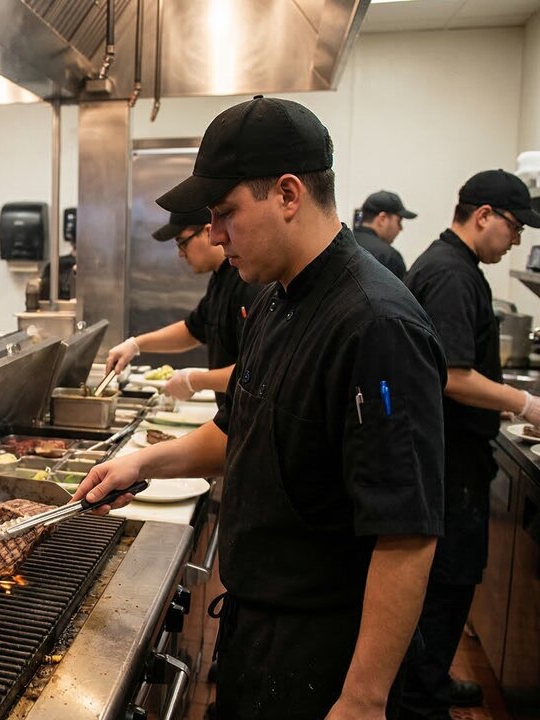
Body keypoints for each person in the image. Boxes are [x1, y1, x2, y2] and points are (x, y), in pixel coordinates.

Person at [75, 96, 446, 720]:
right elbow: (238, 431)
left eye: (225, 214)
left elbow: (406, 532)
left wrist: (361, 698)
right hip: (258, 629)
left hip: (327, 652)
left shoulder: (376, 325)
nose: (215, 234)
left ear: (288, 194)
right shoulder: (275, 299)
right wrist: (142, 464)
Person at [399, 169, 540, 719]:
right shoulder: (454, 275)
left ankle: (427, 686)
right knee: (443, 590)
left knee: (441, 594)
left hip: (445, 462)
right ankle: (422, 702)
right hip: (448, 465)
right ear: (483, 215)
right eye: (514, 227)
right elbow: (453, 376)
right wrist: (525, 404)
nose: (517, 240)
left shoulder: (449, 265)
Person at [104, 207, 262, 402]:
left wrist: (195, 380)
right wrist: (135, 344)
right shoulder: (219, 278)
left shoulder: (249, 283)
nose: (180, 254)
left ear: (207, 232)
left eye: (182, 242)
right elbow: (193, 330)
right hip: (230, 415)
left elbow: (257, 371)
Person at [356, 190, 417, 278]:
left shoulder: (343, 244)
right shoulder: (389, 257)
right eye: (399, 222)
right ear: (382, 219)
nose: (400, 228)